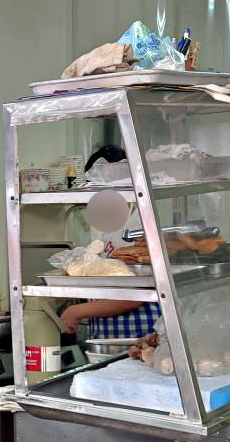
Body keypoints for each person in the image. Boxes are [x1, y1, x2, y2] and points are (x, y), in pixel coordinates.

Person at [60, 145, 161, 339]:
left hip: (139, 329)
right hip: (107, 330)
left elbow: (133, 296)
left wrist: (76, 312)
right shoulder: (103, 223)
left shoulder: (137, 224)